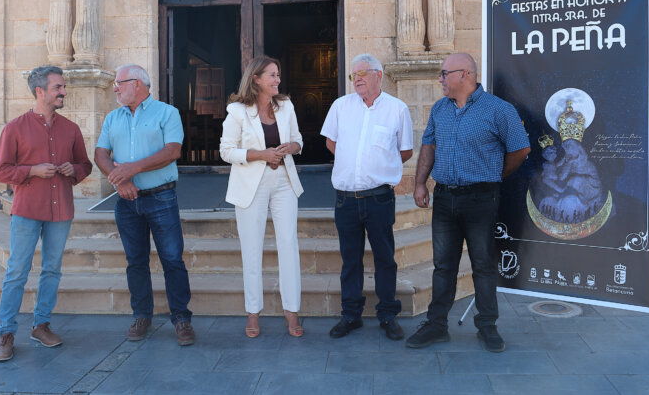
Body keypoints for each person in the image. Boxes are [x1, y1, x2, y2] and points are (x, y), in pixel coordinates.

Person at [406, 53, 530, 352]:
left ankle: (487, 326)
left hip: (481, 199)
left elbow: (520, 149)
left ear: (465, 75)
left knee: (483, 265)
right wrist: (420, 182)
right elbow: (429, 146)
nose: (439, 79)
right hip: (445, 197)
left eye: (443, 73)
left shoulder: (499, 110)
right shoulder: (439, 109)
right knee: (443, 266)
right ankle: (436, 326)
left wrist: (492, 176)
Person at [0, 66, 93, 361]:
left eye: (62, 87)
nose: (63, 92)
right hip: (27, 210)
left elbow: (84, 165)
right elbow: (0, 171)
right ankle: (6, 333)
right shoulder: (14, 128)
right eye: (58, 87)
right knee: (16, 272)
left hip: (61, 209)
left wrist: (73, 170)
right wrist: (32, 171)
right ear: (40, 91)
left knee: (52, 270)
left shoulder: (71, 129)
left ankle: (41, 325)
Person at [94, 64, 194, 346]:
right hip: (126, 201)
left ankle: (182, 319)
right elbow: (100, 153)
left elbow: (172, 151)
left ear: (137, 83)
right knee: (135, 261)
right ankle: (141, 315)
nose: (114, 88)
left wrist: (131, 169)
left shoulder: (167, 113)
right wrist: (120, 181)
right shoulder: (113, 118)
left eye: (119, 83)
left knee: (172, 260)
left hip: (162, 197)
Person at [320, 53, 413, 341]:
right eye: (353, 75)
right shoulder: (340, 106)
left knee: (385, 258)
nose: (357, 79)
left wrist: (379, 165)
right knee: (350, 259)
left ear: (379, 75)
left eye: (363, 73)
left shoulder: (397, 109)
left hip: (379, 198)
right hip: (346, 198)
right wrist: (353, 161)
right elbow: (330, 142)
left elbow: (406, 151)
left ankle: (387, 315)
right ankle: (351, 316)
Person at [219, 56, 305, 338]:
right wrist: (261, 155)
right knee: (251, 249)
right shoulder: (237, 111)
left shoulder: (286, 105)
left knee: (289, 245)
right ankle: (253, 313)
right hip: (251, 185)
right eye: (272, 75)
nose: (277, 79)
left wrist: (290, 147)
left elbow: (299, 141)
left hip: (284, 182)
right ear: (256, 78)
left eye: (278, 74)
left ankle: (291, 311)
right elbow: (226, 151)